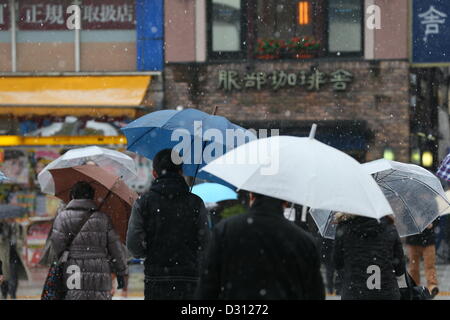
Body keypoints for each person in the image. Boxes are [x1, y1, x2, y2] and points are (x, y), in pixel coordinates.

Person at [195, 192, 325, 300]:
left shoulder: (225, 230)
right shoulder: (303, 241)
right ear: (285, 202)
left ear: (252, 196)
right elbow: (315, 294)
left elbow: (208, 287)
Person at [126, 148, 210, 300]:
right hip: (189, 278)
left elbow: (133, 244)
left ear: (154, 173)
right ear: (181, 172)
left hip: (156, 279)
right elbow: (206, 242)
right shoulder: (196, 202)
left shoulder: (143, 203)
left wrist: (150, 253)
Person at [50, 181, 128, 300]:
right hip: (100, 268)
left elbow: (56, 246)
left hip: (73, 269)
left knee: (75, 296)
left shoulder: (62, 217)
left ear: (72, 196)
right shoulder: (103, 218)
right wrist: (121, 272)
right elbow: (116, 249)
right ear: (92, 197)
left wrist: (65, 256)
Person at [333, 213, 406, 300]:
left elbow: (337, 262)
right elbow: (400, 269)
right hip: (386, 292)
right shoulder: (389, 227)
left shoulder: (344, 228)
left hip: (354, 292)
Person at [405, 219, 439, 298]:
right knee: (413, 267)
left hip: (428, 239)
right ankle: (415, 287)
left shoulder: (431, 206)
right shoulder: (410, 207)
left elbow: (437, 217)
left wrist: (432, 223)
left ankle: (432, 286)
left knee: (430, 264)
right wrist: (415, 222)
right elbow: (405, 219)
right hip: (413, 240)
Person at [0, 218, 30, 300]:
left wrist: (17, 242)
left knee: (14, 277)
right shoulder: (1, 226)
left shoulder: (20, 227)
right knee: (4, 277)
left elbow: (23, 240)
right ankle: (4, 294)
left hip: (14, 255)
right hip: (3, 256)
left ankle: (13, 295)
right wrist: (3, 237)